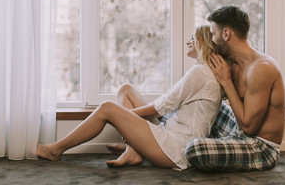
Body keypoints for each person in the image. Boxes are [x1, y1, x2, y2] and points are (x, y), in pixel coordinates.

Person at [36, 25, 224, 170]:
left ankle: (55, 150)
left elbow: (161, 108)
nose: (188, 42)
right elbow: (164, 104)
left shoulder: (200, 73)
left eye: (192, 38)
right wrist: (126, 118)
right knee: (126, 89)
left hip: (175, 150)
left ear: (201, 40)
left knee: (107, 108)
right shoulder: (204, 72)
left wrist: (121, 117)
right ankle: (132, 151)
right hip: (171, 133)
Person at [185, 5, 285, 171]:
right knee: (192, 102)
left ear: (226, 34)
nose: (211, 39)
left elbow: (249, 127)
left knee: (195, 149)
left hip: (261, 147)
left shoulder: (261, 68)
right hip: (237, 130)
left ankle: (211, 143)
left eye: (213, 34)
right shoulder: (229, 61)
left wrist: (226, 82)